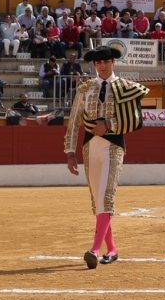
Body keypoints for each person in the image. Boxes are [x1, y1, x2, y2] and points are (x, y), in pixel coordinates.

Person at [64, 47, 150, 269]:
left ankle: (94, 249)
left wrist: (110, 125)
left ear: (113, 62)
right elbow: (74, 121)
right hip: (89, 147)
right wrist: (70, 152)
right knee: (98, 201)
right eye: (97, 62)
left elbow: (136, 120)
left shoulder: (124, 87)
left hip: (113, 146)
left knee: (106, 196)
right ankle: (112, 249)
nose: (102, 65)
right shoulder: (85, 89)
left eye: (105, 61)